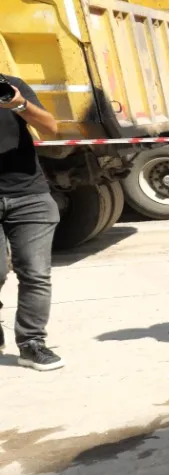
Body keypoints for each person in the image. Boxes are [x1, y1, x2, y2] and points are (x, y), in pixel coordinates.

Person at [0, 74, 62, 370]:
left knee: (36, 273)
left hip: (29, 195)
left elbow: (50, 128)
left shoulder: (11, 86)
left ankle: (31, 344)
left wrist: (19, 104)